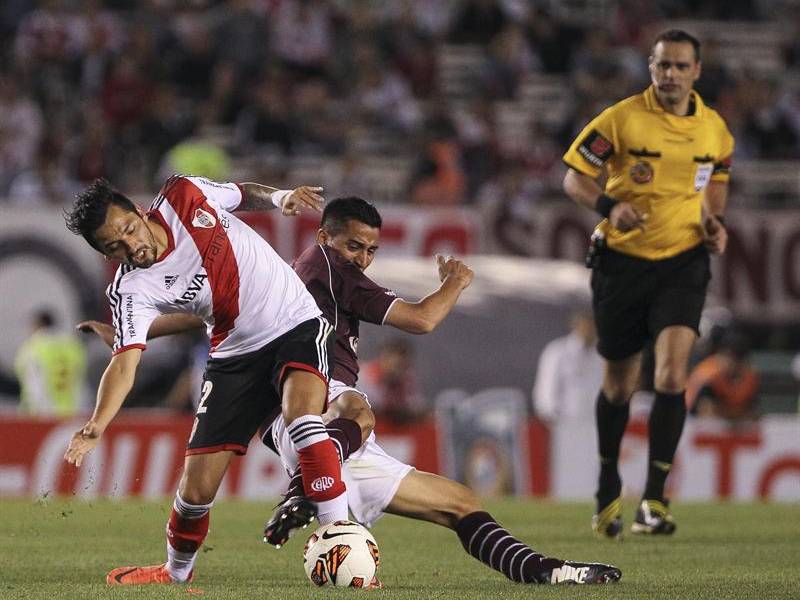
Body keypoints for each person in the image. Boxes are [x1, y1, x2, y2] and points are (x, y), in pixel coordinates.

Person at [120, 196, 621, 585]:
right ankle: (305, 488)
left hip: (311, 432)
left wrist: (145, 329)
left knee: (460, 503)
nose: (363, 258)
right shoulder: (333, 272)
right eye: (354, 245)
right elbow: (423, 319)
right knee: (358, 410)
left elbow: (211, 308)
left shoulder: (294, 272)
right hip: (306, 395)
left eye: (371, 250)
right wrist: (455, 283)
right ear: (325, 237)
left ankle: (544, 572)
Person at [62, 175, 352, 586]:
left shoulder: (184, 195)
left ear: (140, 213)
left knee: (301, 417)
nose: (132, 247)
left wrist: (280, 197)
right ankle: (175, 573)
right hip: (233, 354)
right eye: (115, 247)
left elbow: (241, 193)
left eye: (129, 230)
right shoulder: (130, 289)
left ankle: (341, 539)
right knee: (195, 490)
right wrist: (97, 425)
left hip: (295, 322)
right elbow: (124, 363)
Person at [562, 29, 734, 538]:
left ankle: (655, 499)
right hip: (622, 264)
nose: (671, 75)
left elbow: (716, 183)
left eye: (681, 66)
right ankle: (607, 481)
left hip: (683, 262)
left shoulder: (715, 131)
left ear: (697, 71)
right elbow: (574, 176)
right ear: (651, 67)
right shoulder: (622, 119)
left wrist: (713, 223)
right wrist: (610, 206)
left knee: (672, 375)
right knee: (618, 385)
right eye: (663, 66)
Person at [532, 310, 603, 422]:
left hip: (595, 422)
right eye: (587, 326)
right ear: (576, 326)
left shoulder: (602, 356)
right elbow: (546, 389)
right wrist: (550, 417)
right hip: (564, 423)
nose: (590, 330)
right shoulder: (558, 352)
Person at [14, 309, 87, 416]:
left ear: (37, 325)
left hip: (41, 413)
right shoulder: (73, 346)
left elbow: (28, 381)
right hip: (72, 412)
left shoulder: (32, 347)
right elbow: (81, 376)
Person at [686, 331, 759, 422]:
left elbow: (753, 414)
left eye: (739, 359)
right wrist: (735, 413)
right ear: (723, 355)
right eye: (731, 357)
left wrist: (729, 412)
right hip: (695, 425)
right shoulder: (708, 373)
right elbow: (705, 410)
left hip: (733, 427)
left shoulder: (749, 376)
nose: (734, 364)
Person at [359, 338, 427, 425]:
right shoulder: (364, 376)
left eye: (402, 365)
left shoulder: (405, 381)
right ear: (384, 357)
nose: (398, 369)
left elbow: (416, 406)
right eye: (396, 363)